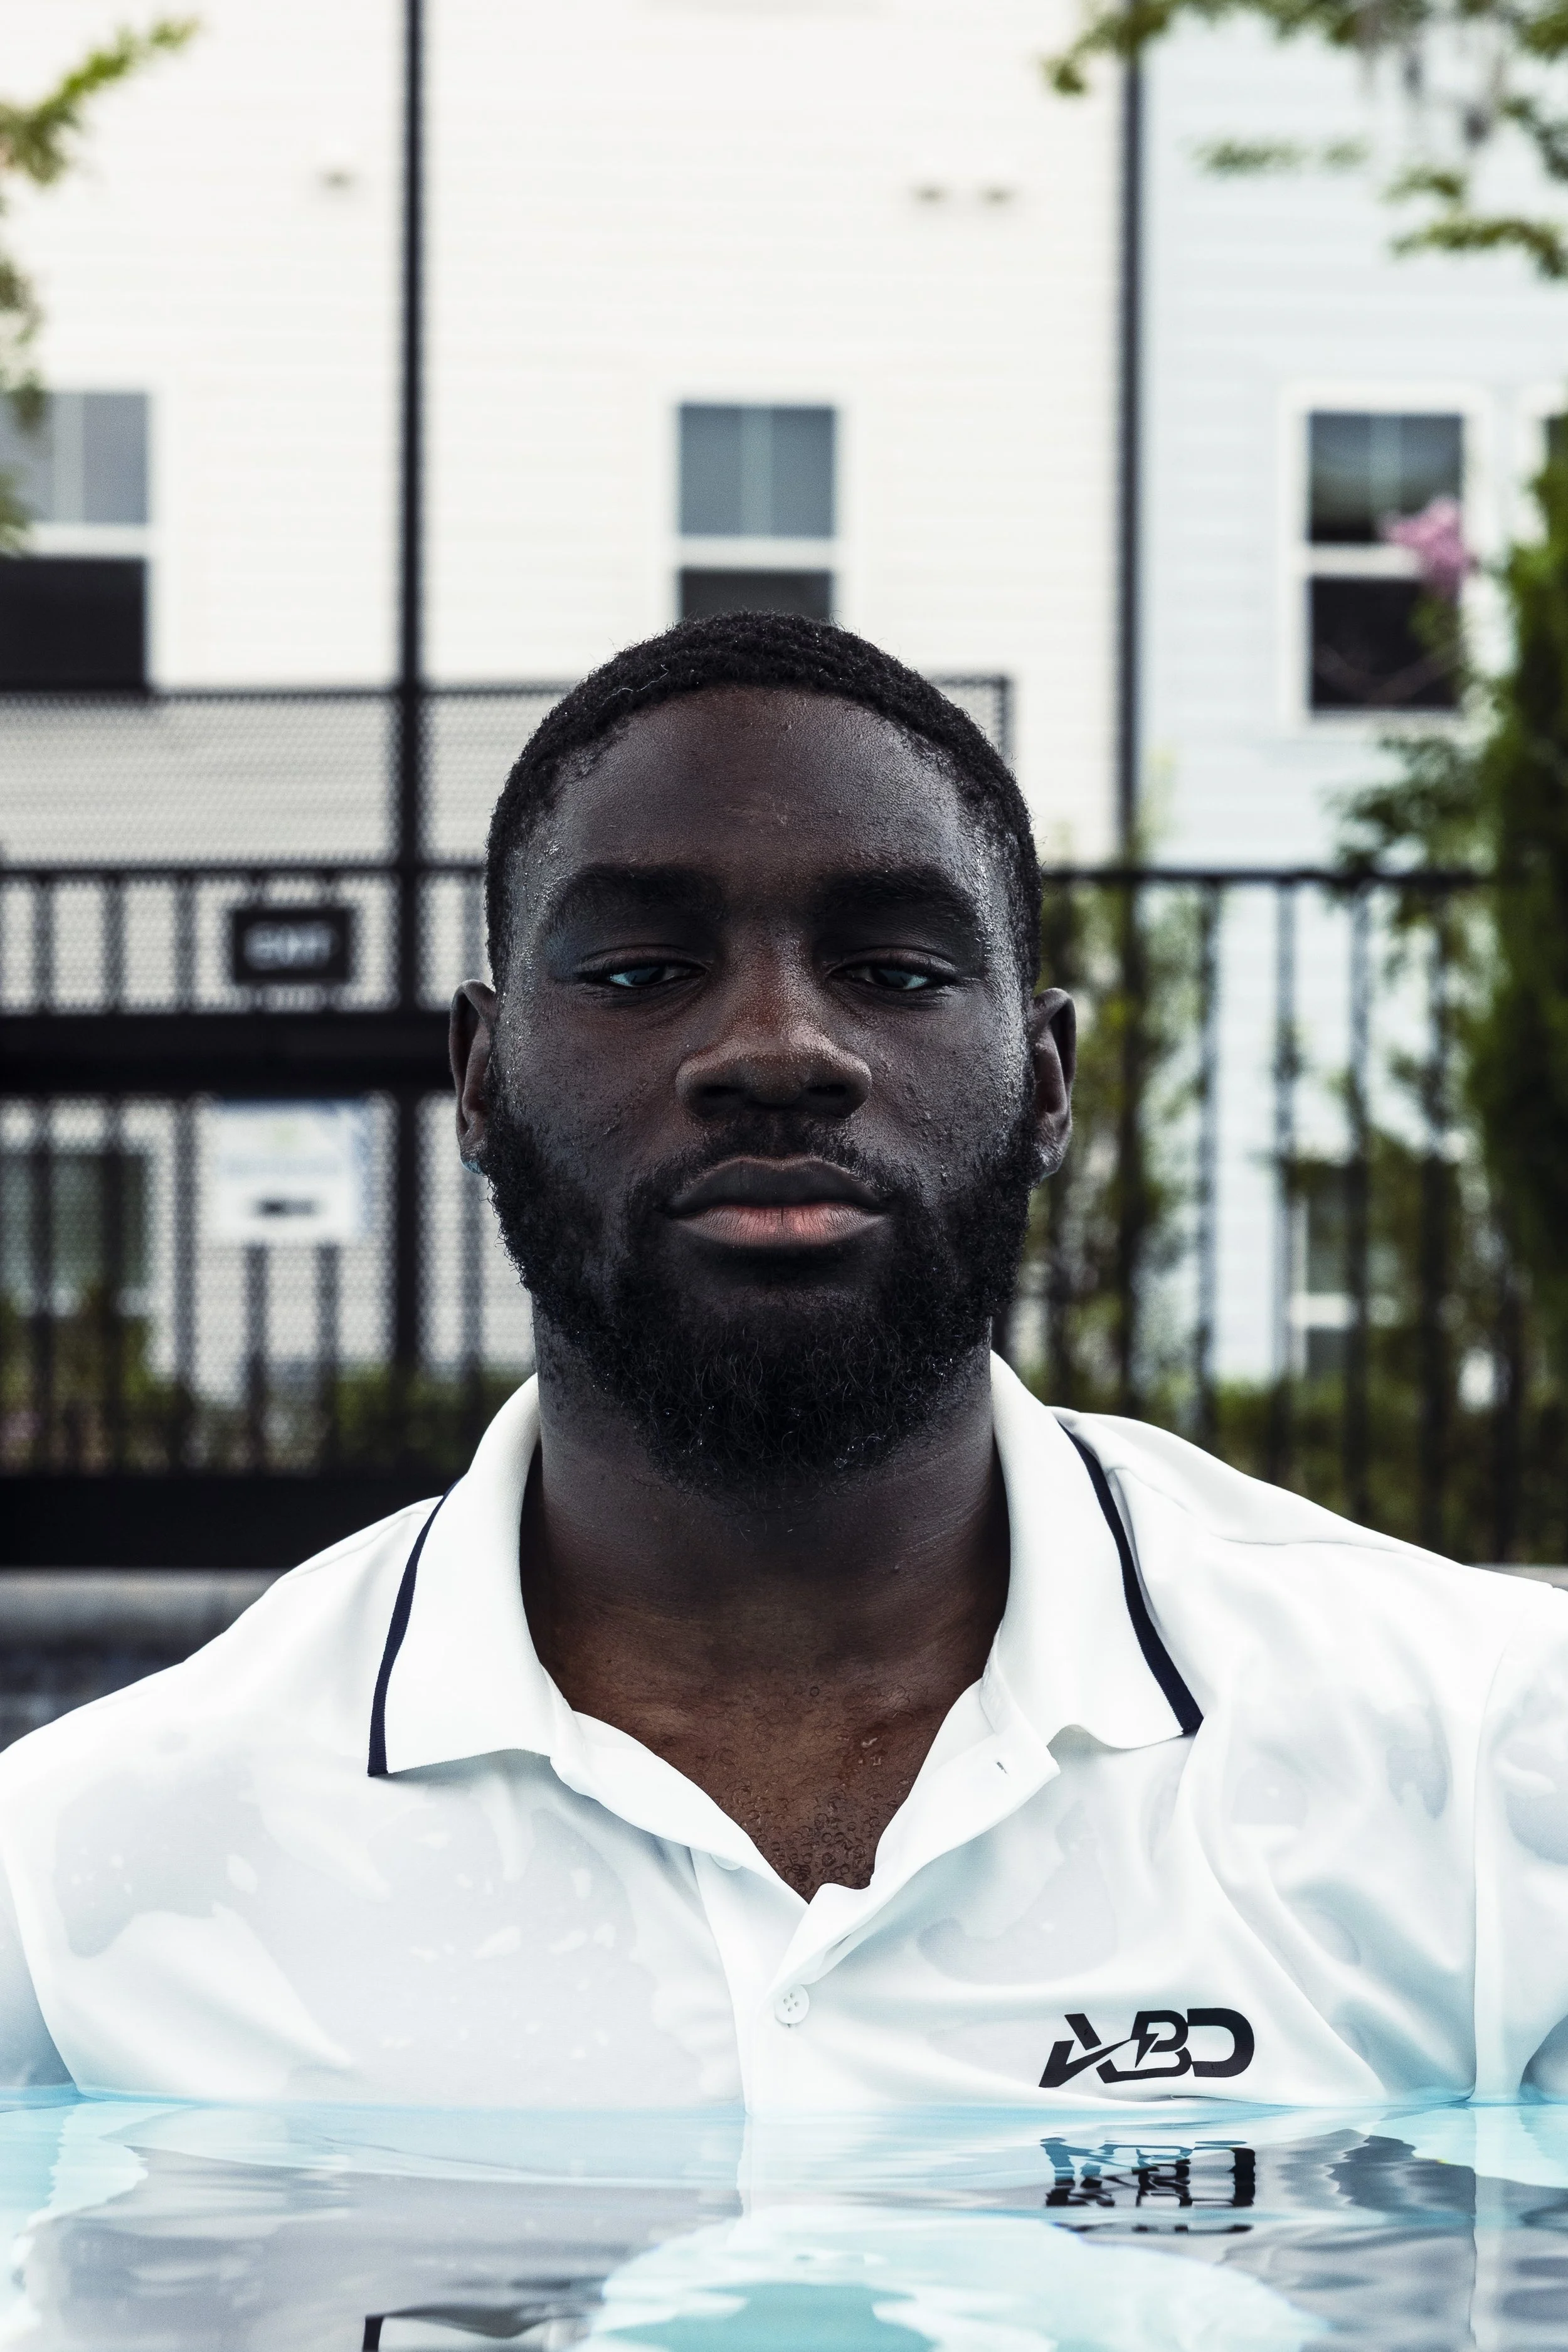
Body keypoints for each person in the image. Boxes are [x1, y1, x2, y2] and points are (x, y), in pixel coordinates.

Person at [2, 611, 1566, 2110]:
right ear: (480, 1079)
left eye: (891, 967)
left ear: (1043, 1079)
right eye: (635, 970)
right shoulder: (95, 1877)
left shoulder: (1478, 1767)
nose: (771, 1048)